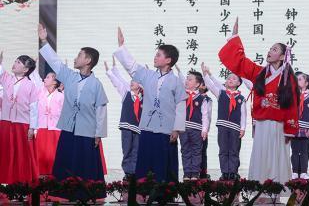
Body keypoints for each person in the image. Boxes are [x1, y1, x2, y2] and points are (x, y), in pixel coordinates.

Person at [218, 17, 299, 184]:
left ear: (283, 56)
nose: (270, 51)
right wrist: (234, 37)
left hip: (278, 125)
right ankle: (260, 187)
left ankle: (276, 188)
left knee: (277, 156)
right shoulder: (260, 72)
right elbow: (240, 62)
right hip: (262, 123)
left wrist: (290, 128)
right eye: (270, 48)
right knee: (261, 154)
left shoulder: (288, 78)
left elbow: (292, 104)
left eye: (275, 49)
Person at [38, 24, 108, 198]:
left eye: (79, 55)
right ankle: (63, 192)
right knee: (66, 160)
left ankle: (86, 194)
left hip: (87, 130)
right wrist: (44, 40)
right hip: (69, 127)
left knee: (85, 163)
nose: (76, 58)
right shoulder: (70, 76)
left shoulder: (96, 84)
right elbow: (55, 62)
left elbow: (101, 110)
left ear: (88, 61)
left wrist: (99, 133)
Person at [114, 27, 186, 182]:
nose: (155, 57)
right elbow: (132, 67)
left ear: (168, 60)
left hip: (166, 130)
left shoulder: (176, 81)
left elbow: (181, 106)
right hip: (147, 126)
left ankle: (165, 192)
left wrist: (177, 129)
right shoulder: (148, 75)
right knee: (145, 159)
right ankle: (144, 190)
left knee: (164, 162)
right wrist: (122, 47)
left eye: (158, 55)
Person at [201, 63, 247, 180]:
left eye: (234, 78)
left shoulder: (241, 99)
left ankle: (233, 171)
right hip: (222, 126)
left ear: (238, 83)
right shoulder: (221, 93)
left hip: (235, 128)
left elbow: (243, 114)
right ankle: (225, 172)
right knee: (223, 150)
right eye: (228, 78)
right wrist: (206, 74)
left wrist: (243, 128)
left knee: (234, 150)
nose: (230, 79)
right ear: (225, 83)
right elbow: (211, 85)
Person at [0, 51, 39, 183]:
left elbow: (34, 108)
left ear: (26, 69)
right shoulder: (7, 79)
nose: (14, 64)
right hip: (6, 122)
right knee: (5, 152)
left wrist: (32, 128)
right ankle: (5, 181)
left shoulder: (31, 85)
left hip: (22, 124)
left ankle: (22, 182)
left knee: (22, 154)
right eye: (15, 61)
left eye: (18, 62)